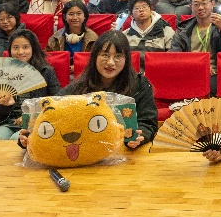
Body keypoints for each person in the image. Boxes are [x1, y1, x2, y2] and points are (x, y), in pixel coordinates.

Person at [20, 31, 157, 152]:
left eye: (118, 56)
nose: (111, 62)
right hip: (88, 152)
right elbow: (52, 111)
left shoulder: (140, 85)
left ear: (126, 59)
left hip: (125, 152)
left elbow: (148, 123)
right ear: (94, 57)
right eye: (105, 55)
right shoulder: (80, 86)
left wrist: (141, 136)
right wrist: (29, 135)